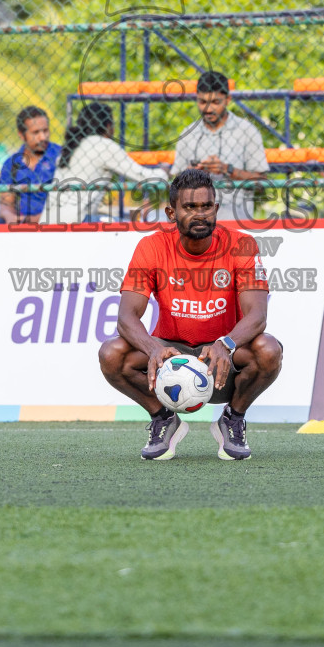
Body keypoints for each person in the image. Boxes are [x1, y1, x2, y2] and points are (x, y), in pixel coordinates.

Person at [98, 169, 282, 461]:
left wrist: (226, 344)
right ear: (172, 212)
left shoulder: (242, 244)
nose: (200, 214)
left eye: (206, 207)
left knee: (269, 350)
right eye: (190, 207)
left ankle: (232, 418)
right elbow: (126, 318)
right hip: (172, 355)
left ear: (216, 209)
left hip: (224, 358)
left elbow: (257, 316)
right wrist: (153, 348)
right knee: (112, 354)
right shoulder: (152, 247)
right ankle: (163, 419)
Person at [41, 103, 164, 225]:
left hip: (49, 220)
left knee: (111, 220)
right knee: (130, 228)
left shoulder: (73, 145)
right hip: (75, 219)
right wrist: (166, 171)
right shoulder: (103, 145)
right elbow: (144, 177)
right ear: (108, 126)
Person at [171, 71, 269, 221]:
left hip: (236, 219)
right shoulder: (188, 133)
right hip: (194, 223)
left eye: (215, 102)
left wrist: (227, 169)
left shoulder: (247, 131)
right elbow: (174, 186)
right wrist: (192, 174)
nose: (208, 109)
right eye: (203, 102)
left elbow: (261, 183)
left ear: (228, 100)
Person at [0, 106, 60, 225]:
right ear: (21, 135)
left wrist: (33, 220)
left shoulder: (61, 157)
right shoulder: (12, 164)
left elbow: (70, 204)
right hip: (22, 225)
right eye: (36, 132)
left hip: (56, 223)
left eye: (45, 130)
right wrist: (9, 216)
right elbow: (6, 203)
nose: (43, 137)